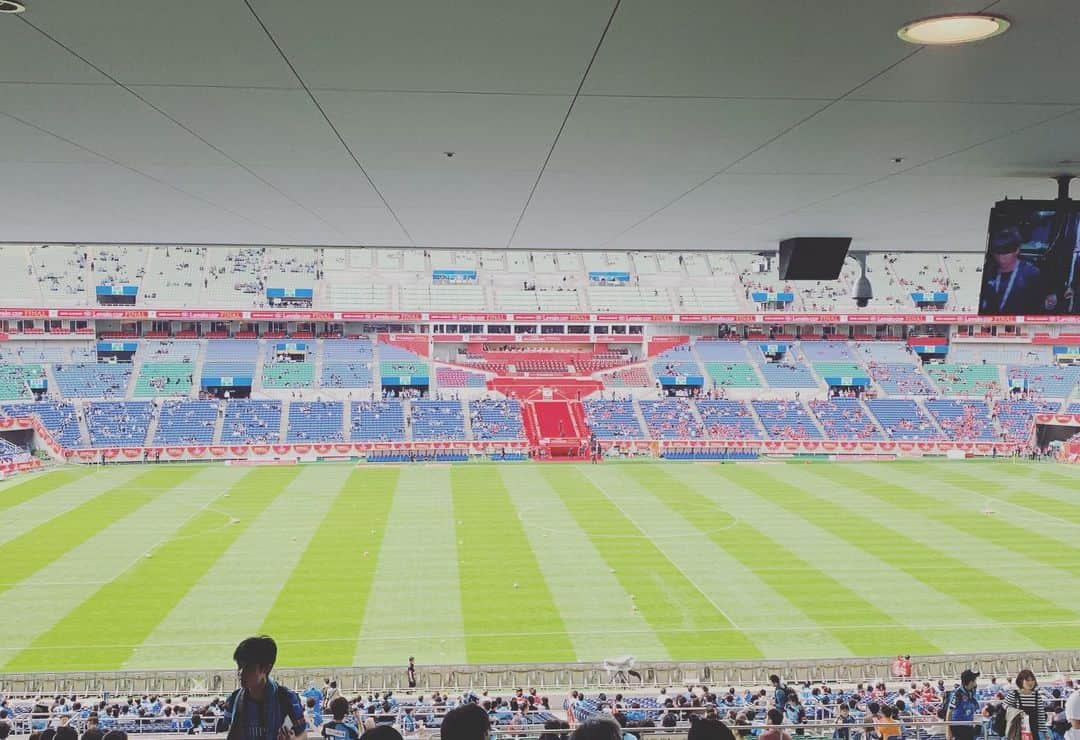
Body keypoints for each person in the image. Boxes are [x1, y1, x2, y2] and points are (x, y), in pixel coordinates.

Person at [224, 635, 308, 740]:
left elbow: (303, 734)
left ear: (266, 668)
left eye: (248, 667)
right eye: (239, 666)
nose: (240, 672)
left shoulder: (286, 698)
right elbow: (231, 732)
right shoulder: (234, 699)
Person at [980, 227, 1050, 315]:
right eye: (998, 253)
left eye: (1006, 253)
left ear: (1017, 250)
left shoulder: (1031, 273)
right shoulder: (989, 271)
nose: (1001, 258)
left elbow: (1038, 307)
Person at [1006, 669, 1048, 740]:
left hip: (1033, 732)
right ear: (1021, 681)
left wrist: (1045, 733)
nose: (1030, 682)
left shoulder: (1037, 695)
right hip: (1017, 733)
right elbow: (1004, 707)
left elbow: (1041, 716)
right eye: (1027, 680)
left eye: (1032, 680)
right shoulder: (1014, 694)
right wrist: (1016, 712)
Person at [946, 670, 982, 740]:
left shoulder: (972, 690)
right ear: (971, 682)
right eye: (975, 680)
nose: (976, 682)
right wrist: (948, 731)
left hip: (969, 724)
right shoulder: (957, 694)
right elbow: (949, 711)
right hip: (958, 725)